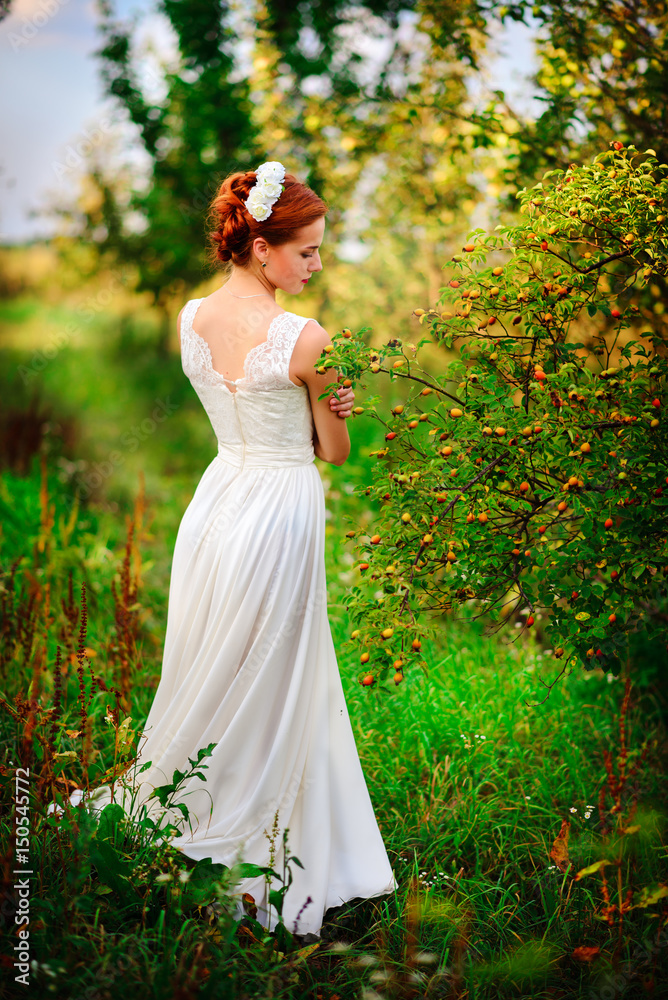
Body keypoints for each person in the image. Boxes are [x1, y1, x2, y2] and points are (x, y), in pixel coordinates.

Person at [49, 161, 396, 937]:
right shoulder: (310, 339)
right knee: (277, 665)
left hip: (217, 503)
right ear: (264, 248)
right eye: (306, 251)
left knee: (221, 656)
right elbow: (332, 453)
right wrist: (335, 404)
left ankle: (198, 798)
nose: (315, 264)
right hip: (280, 506)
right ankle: (261, 833)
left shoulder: (191, 317)